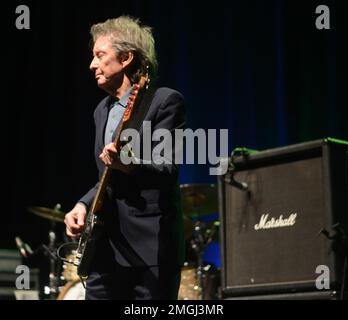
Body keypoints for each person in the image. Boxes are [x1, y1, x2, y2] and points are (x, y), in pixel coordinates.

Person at [64, 16, 186, 300]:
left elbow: (167, 168)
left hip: (150, 247)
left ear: (126, 58)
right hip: (105, 246)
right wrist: (83, 204)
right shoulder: (101, 111)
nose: (92, 65)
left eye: (100, 55)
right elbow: (108, 175)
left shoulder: (164, 101)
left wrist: (129, 162)